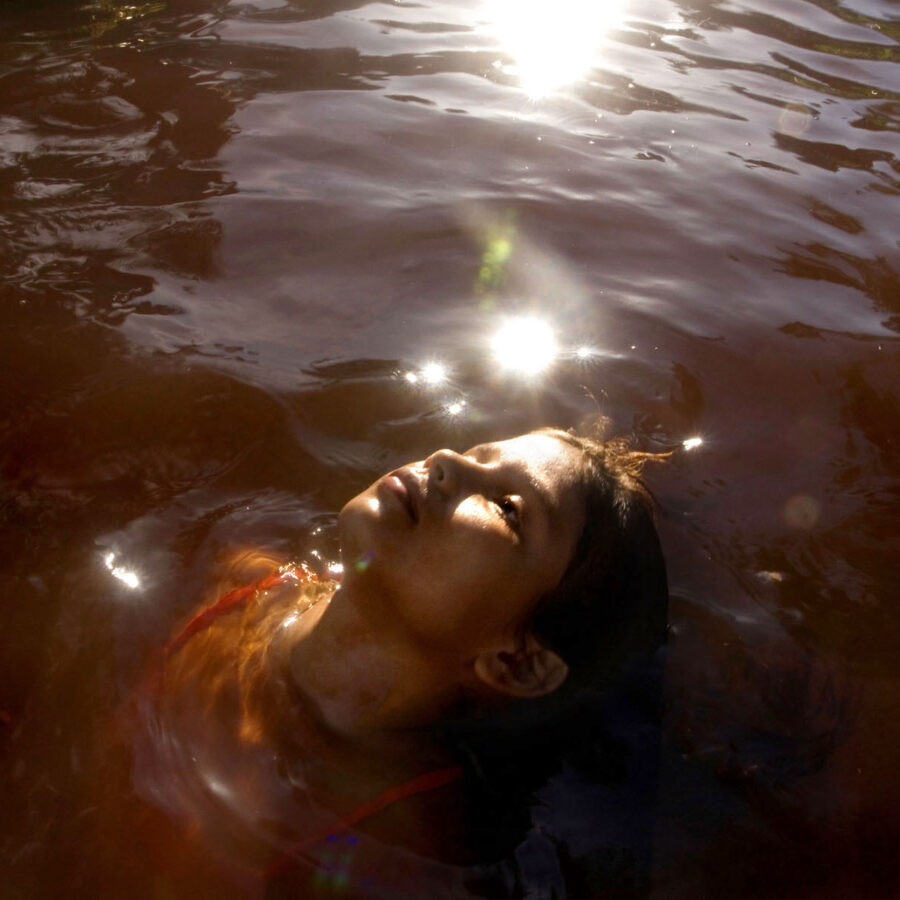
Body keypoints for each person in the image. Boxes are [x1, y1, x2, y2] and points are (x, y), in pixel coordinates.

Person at [131, 427, 669, 899]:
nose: (445, 460)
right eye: (474, 453)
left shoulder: (386, 851)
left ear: (517, 663)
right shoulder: (246, 577)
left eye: (507, 507)